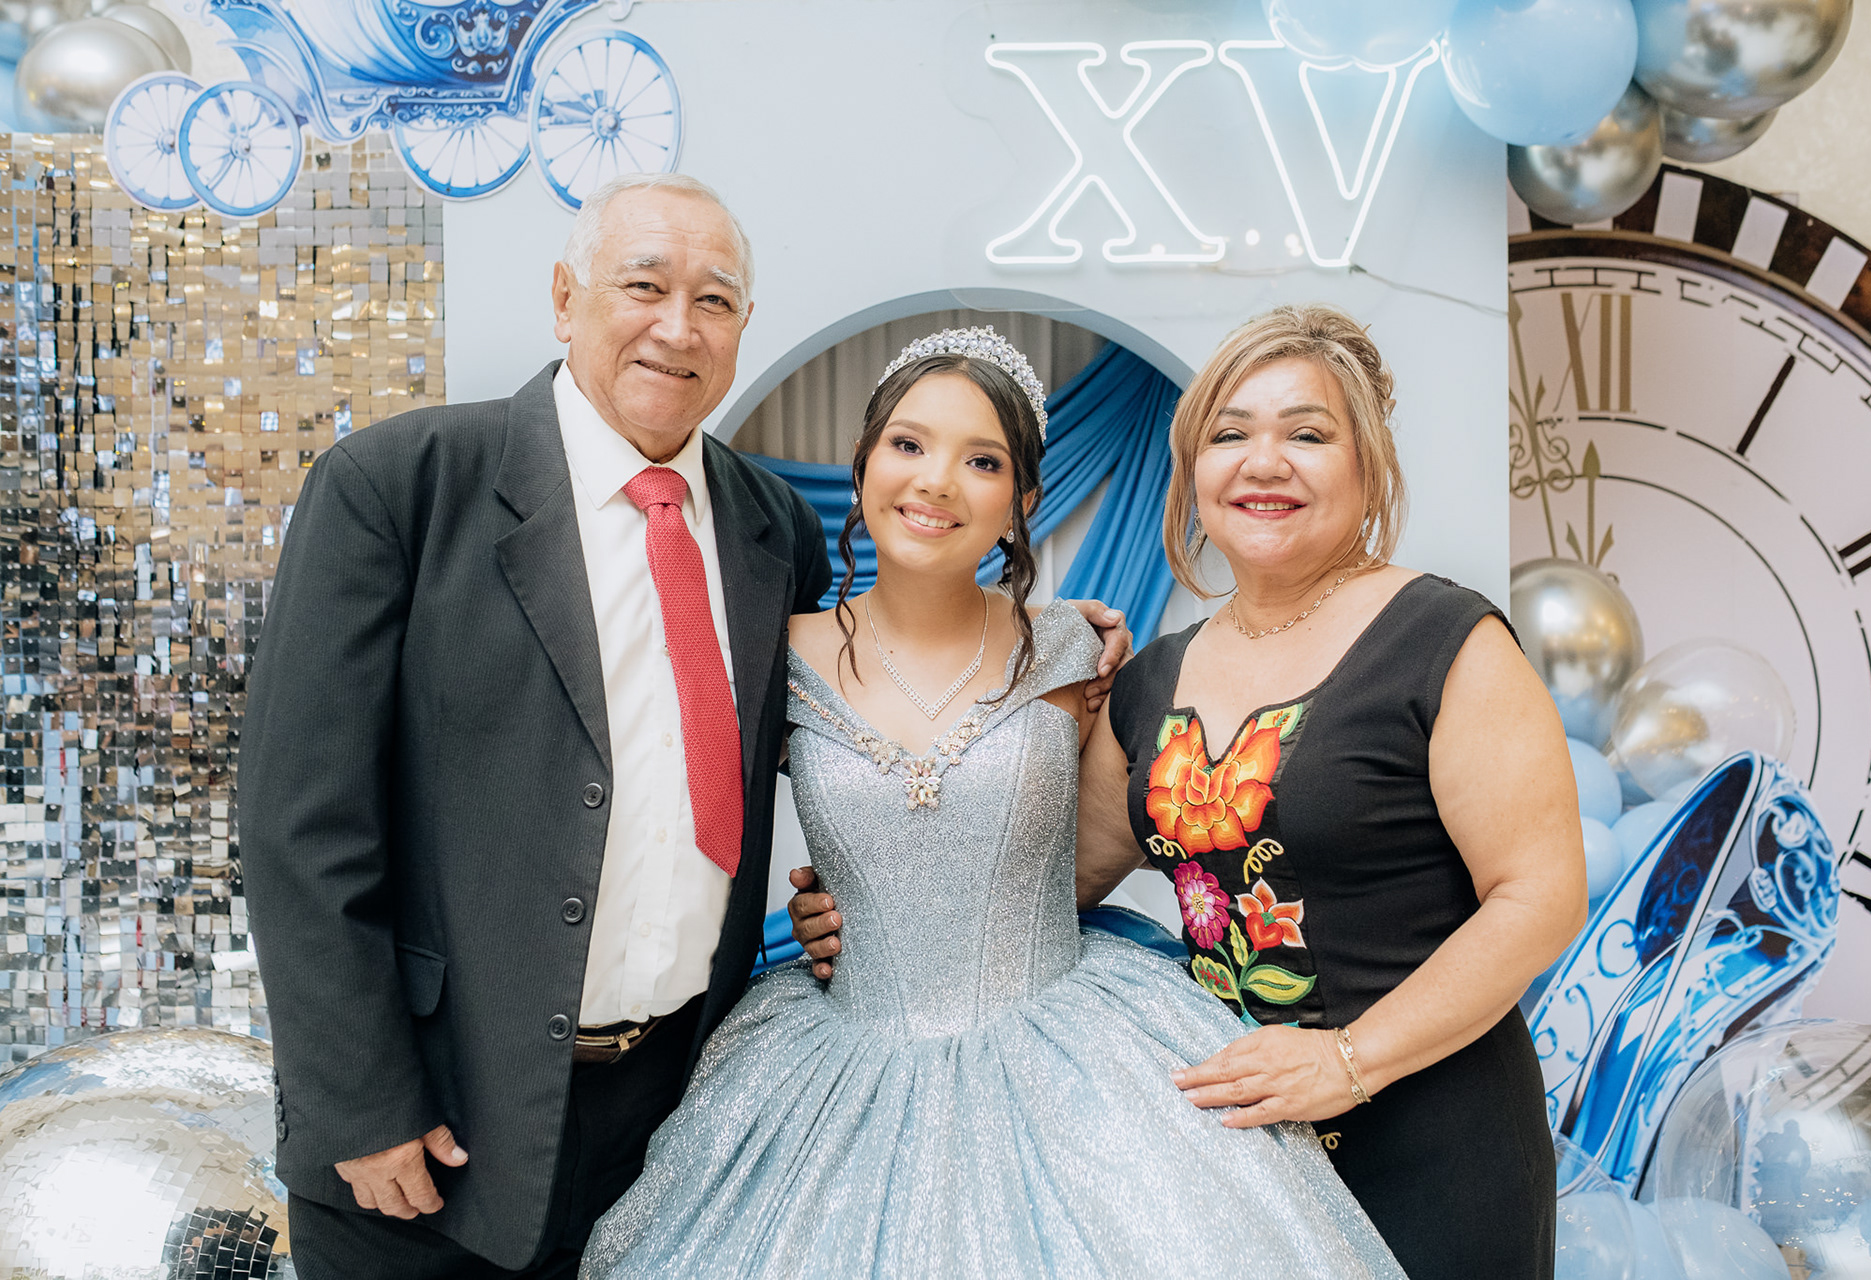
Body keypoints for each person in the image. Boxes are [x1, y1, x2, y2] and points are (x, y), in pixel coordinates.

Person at [238, 169, 1130, 1279]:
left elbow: (882, 729)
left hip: (674, 1114)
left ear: (744, 327)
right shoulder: (400, 487)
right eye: (644, 286)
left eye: (714, 300)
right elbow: (299, 822)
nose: (678, 326)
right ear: (564, 298)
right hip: (433, 1118)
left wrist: (874, 902)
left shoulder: (771, 526)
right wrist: (361, 1098)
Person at [580, 328, 1408, 1279]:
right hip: (836, 1065)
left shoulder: (1073, 653)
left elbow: (1126, 830)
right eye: (908, 444)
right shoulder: (773, 655)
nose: (935, 481)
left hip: (1074, 1055)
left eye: (982, 461)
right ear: (863, 467)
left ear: (1022, 504)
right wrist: (824, 906)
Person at [791, 304, 1587, 1278]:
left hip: (1433, 1132)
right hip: (1232, 1149)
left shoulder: (1445, 639)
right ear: (1194, 470)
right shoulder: (1153, 679)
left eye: (1307, 434)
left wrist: (1348, 1061)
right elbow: (1042, 882)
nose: (1264, 462)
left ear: (1367, 465)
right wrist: (869, 904)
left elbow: (1541, 897)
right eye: (1230, 434)